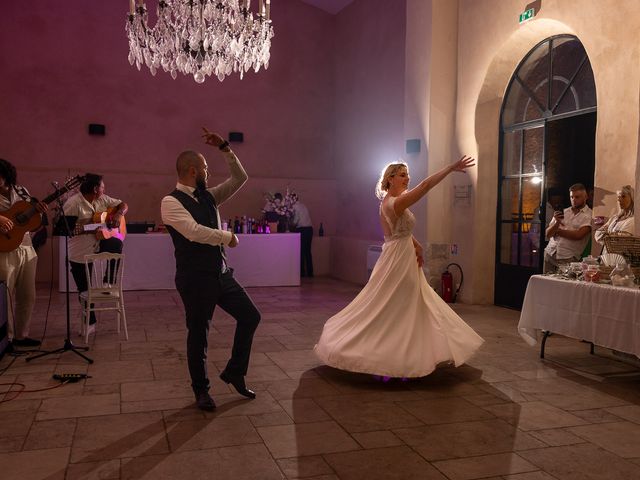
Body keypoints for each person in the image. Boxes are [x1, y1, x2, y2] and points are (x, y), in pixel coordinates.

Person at [314, 157, 484, 378]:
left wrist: (417, 245)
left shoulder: (390, 200)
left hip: (400, 254)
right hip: (397, 260)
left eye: (407, 174)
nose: (407, 178)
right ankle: (394, 354)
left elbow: (396, 234)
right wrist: (450, 168)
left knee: (411, 301)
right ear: (390, 179)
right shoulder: (394, 203)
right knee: (396, 303)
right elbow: (425, 186)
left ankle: (419, 349)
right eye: (402, 174)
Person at [161, 128, 261, 411]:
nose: (208, 171)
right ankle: (201, 391)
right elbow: (193, 232)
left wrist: (226, 148)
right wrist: (226, 236)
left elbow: (240, 178)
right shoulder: (169, 202)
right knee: (199, 334)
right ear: (193, 171)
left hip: (220, 273)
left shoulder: (209, 196)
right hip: (195, 279)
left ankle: (234, 372)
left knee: (251, 316)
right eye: (205, 168)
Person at [63, 173, 128, 334]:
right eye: (102, 187)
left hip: (99, 241)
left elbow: (123, 204)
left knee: (116, 243)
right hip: (80, 250)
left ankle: (108, 281)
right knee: (85, 291)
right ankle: (90, 322)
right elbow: (66, 229)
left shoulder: (103, 199)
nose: (104, 189)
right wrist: (88, 227)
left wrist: (119, 214)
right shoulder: (73, 204)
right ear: (95, 189)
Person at [0, 158, 48, 348]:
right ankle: (6, 339)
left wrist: (40, 212)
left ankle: (21, 335)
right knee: (5, 295)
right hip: (4, 249)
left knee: (28, 294)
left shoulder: (21, 191)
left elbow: (32, 219)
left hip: (26, 247)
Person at [543, 183, 592, 273]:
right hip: (550, 253)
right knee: (546, 285)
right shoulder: (563, 212)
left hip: (568, 258)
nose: (573, 200)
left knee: (563, 286)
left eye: (577, 197)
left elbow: (578, 235)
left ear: (585, 197)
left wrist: (558, 231)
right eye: (571, 197)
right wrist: (557, 222)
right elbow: (548, 234)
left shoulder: (589, 215)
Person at [594, 185, 634, 250]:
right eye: (618, 197)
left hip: (621, 257)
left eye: (623, 196)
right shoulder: (614, 218)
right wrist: (612, 235)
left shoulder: (632, 220)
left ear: (632, 199)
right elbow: (597, 234)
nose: (619, 199)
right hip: (607, 255)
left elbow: (621, 241)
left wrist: (607, 234)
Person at [290, 194, 314, 277]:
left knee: (300, 251)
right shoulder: (303, 205)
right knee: (307, 251)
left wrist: (290, 223)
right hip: (310, 229)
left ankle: (301, 273)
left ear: (292, 199)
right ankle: (310, 273)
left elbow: (296, 220)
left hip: (302, 229)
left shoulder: (295, 207)